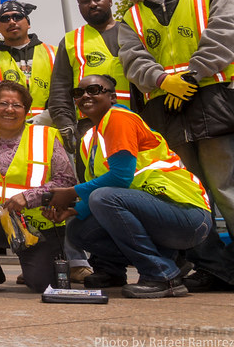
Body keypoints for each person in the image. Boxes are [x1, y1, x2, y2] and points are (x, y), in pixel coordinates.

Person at [119, 0, 234, 292]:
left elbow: (224, 36)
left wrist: (191, 76)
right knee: (187, 196)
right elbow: (132, 58)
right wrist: (162, 81)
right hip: (165, 111)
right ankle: (214, 268)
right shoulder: (133, 14)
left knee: (227, 190)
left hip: (213, 103)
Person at [47, 75, 212, 299]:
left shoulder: (119, 117)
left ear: (112, 97)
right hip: (156, 215)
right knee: (79, 229)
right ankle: (136, 265)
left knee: (103, 197)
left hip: (187, 214)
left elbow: (120, 178)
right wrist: (73, 210)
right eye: (78, 93)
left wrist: (71, 193)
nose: (85, 96)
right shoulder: (90, 139)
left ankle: (162, 275)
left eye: (94, 90)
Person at [0, 82, 76, 292]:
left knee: (43, 286)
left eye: (16, 105)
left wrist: (29, 197)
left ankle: (34, 265)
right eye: (2, 104)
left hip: (39, 225)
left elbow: (66, 180)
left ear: (26, 111)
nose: (9, 110)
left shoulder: (46, 137)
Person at [48, 0, 131, 154]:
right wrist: (65, 124)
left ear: (110, 0)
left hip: (134, 120)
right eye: (85, 1)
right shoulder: (71, 41)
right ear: (79, 7)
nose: (92, 4)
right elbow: (60, 89)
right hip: (89, 126)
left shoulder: (131, 32)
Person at [0, 0, 57, 125]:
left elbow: (63, 91)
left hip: (51, 128)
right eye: (5, 19)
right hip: (8, 131)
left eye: (17, 17)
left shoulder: (54, 53)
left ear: (28, 23)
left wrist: (46, 118)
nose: (12, 22)